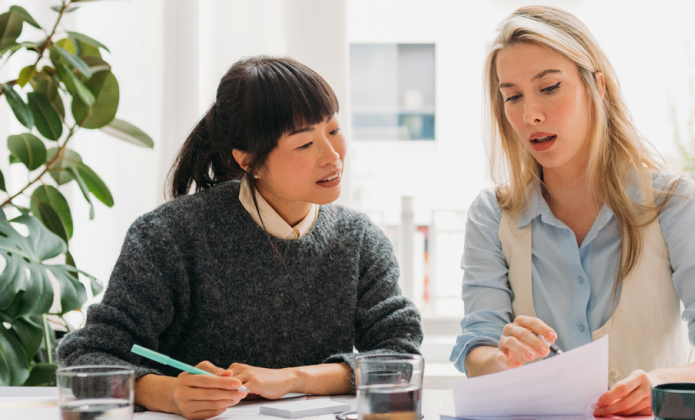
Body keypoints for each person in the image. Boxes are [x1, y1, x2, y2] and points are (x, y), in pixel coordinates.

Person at [57, 56, 423, 420]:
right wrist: (166, 392)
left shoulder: (359, 241)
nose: (332, 156)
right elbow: (87, 356)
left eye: (333, 130)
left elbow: (400, 357)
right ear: (249, 161)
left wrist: (292, 379)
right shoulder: (167, 236)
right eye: (304, 144)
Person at [451, 6, 695, 417]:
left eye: (549, 87)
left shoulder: (674, 203)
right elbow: (478, 348)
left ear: (596, 86)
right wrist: (502, 360)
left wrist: (660, 383)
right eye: (512, 96)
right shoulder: (491, 216)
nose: (530, 114)